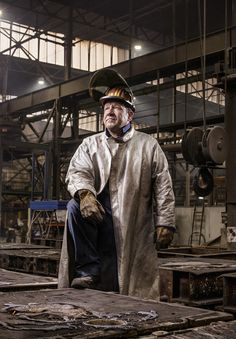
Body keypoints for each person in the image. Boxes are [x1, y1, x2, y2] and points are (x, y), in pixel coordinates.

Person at [58, 68, 175, 300]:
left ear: (130, 115)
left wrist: (166, 222)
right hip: (97, 219)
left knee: (123, 286)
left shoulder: (148, 145)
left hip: (130, 224)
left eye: (117, 106)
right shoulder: (90, 144)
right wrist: (85, 195)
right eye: (106, 107)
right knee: (73, 207)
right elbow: (77, 171)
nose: (110, 111)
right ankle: (88, 270)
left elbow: (163, 183)